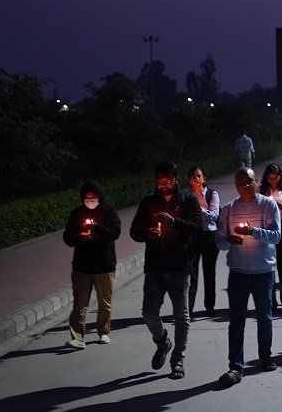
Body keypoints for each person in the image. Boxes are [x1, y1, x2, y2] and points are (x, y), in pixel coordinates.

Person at [130, 161, 202, 379]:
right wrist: (147, 233)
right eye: (160, 181)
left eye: (168, 180)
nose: (163, 185)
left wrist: (174, 222)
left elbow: (198, 228)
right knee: (149, 313)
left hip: (180, 267)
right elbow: (134, 231)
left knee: (182, 316)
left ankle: (177, 359)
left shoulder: (188, 200)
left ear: (176, 179)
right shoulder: (149, 202)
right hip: (155, 267)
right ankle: (163, 341)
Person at [216, 167, 281, 385]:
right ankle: (235, 366)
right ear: (235, 184)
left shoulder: (267, 204)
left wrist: (253, 231)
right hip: (238, 272)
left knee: (264, 317)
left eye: (249, 181)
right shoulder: (229, 209)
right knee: (236, 321)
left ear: (256, 182)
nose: (245, 185)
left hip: (263, 271)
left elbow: (276, 236)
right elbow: (220, 240)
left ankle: (265, 356)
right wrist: (230, 241)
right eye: (241, 182)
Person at [62, 180, 121, 349]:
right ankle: (77, 337)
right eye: (87, 198)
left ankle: (103, 332)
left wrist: (97, 229)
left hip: (104, 264)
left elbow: (115, 232)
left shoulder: (108, 212)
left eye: (93, 198)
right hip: (82, 265)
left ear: (100, 197)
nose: (90, 201)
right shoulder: (77, 213)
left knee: (105, 302)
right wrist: (79, 237)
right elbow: (67, 237)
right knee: (80, 303)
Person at [259, 164, 282, 307]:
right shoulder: (262, 190)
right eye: (270, 178)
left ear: (280, 177)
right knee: (269, 260)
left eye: (275, 178)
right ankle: (271, 292)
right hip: (268, 226)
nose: (273, 181)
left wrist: (277, 204)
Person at [187, 167, 220, 316]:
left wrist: (196, 208)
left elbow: (213, 215)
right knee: (191, 273)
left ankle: (210, 305)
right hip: (193, 237)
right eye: (193, 176)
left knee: (209, 272)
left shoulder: (212, 194)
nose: (196, 179)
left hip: (209, 237)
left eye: (199, 176)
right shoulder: (186, 195)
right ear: (189, 179)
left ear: (204, 179)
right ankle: (188, 307)